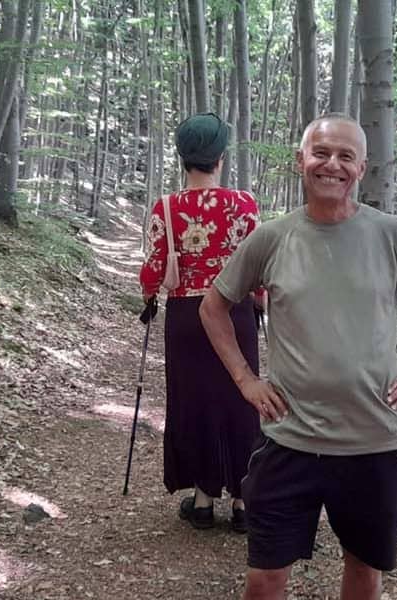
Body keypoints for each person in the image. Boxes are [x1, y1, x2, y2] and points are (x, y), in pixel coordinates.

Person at [198, 114, 397, 600]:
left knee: (363, 574)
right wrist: (245, 379)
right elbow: (213, 306)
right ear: (300, 160)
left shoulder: (391, 234)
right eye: (321, 153)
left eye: (346, 156)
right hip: (289, 439)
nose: (332, 165)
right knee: (264, 579)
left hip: (376, 443)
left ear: (361, 168)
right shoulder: (272, 237)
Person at [138, 112, 263, 533]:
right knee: (242, 398)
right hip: (234, 311)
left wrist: (148, 296)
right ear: (220, 158)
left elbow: (154, 267)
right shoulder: (243, 204)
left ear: (183, 158)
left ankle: (204, 499)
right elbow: (259, 264)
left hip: (186, 317)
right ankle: (244, 501)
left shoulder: (166, 207)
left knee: (194, 401)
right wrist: (260, 299)